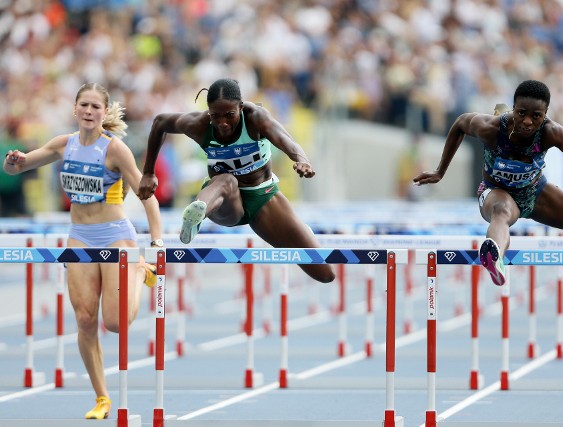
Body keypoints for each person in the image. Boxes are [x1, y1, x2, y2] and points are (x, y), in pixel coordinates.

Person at [3, 83, 163, 419]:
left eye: (95, 107)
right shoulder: (64, 144)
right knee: (86, 319)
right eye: (84, 105)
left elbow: (147, 195)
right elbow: (18, 167)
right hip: (79, 236)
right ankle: (102, 398)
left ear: (104, 113)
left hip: (115, 236)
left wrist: (156, 243)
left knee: (115, 323)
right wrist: (14, 161)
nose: (89, 112)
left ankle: (137, 271)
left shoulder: (115, 149)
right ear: (75, 109)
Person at [413, 80, 563, 286]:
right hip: (495, 191)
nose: (527, 121)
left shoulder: (551, 132)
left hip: (536, 193)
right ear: (513, 108)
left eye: (536, 116)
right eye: (521, 113)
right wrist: (440, 171)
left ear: (545, 115)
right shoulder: (490, 127)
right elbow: (460, 124)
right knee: (503, 210)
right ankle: (494, 256)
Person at [137, 78, 335, 284]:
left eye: (229, 115)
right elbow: (160, 122)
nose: (222, 123)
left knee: (324, 273)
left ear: (241, 107)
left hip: (263, 197)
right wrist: (149, 172)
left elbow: (287, 141)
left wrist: (301, 160)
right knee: (226, 180)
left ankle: (202, 210)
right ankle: (197, 214)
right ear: (208, 112)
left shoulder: (257, 118)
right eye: (215, 116)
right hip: (224, 201)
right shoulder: (199, 124)